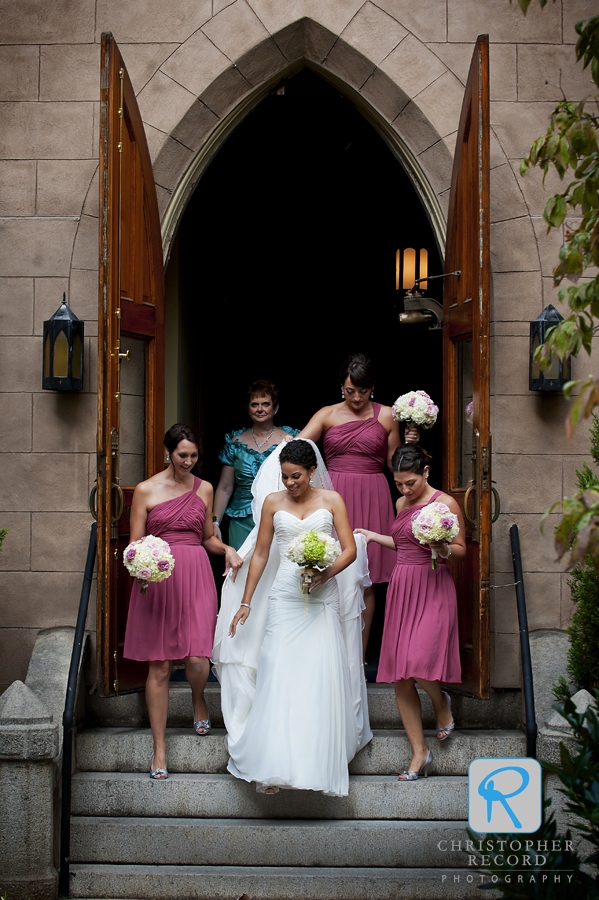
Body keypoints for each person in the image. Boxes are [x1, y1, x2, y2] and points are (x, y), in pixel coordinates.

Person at [212, 439, 372, 797]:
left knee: (317, 673)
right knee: (277, 668)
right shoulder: (273, 502)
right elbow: (261, 554)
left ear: (312, 471)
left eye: (296, 476)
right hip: (284, 594)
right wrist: (247, 602)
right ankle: (273, 763)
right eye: (284, 477)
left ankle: (314, 761)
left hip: (321, 596)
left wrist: (326, 573)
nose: (290, 483)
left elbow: (348, 550)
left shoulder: (332, 501)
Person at [123, 423, 242, 779]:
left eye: (193, 456)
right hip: (158, 579)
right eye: (182, 455)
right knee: (158, 665)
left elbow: (206, 537)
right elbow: (134, 544)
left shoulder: (204, 488)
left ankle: (197, 697)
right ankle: (160, 749)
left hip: (194, 573)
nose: (188, 461)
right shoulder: (145, 490)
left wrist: (228, 549)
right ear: (168, 453)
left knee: (197, 655)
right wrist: (142, 563)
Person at [297, 353, 419, 660]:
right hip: (333, 493)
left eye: (362, 392)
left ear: (372, 387)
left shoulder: (388, 415)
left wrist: (411, 447)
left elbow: (395, 464)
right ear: (342, 386)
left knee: (368, 579)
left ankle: (358, 655)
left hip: (373, 494)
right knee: (329, 570)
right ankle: (327, 654)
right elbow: (298, 448)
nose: (355, 397)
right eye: (350, 391)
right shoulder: (326, 414)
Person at [355, 444, 465, 781]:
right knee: (401, 675)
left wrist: (443, 546)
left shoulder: (445, 503)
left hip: (433, 584)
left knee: (419, 659)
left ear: (426, 472)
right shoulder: (402, 503)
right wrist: (374, 536)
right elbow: (402, 541)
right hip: (403, 586)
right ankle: (419, 753)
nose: (404, 490)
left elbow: (461, 551)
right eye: (399, 484)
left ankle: (441, 702)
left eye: (411, 483)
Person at [213, 380, 299, 550]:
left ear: (276, 408)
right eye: (255, 404)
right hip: (241, 520)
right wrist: (215, 522)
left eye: (266, 404)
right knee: (240, 569)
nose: (260, 409)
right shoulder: (235, 442)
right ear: (247, 408)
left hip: (279, 517)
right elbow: (224, 487)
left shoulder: (291, 439)